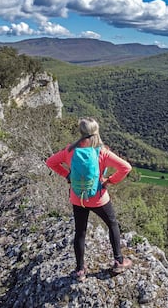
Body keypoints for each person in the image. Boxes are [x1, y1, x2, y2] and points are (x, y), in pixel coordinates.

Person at [46, 117, 132, 282]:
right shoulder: (102, 152)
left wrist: (67, 175)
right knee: (112, 224)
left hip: (78, 198)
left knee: (80, 232)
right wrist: (110, 180)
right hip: (98, 198)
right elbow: (126, 167)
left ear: (81, 132)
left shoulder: (70, 151)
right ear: (96, 131)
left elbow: (50, 162)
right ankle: (119, 261)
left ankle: (79, 270)